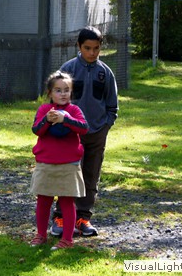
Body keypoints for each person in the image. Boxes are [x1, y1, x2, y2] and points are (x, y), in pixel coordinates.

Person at [50, 26, 119, 237]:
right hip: (71, 134)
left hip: (97, 133)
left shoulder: (105, 73)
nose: (92, 53)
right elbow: (56, 101)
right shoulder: (68, 69)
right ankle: (61, 216)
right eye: (87, 48)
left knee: (91, 175)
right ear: (79, 46)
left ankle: (83, 217)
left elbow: (112, 105)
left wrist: (105, 125)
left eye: (96, 48)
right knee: (69, 174)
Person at [30, 71, 89, 250]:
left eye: (66, 90)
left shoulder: (74, 111)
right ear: (50, 93)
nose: (62, 94)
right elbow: (36, 130)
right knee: (43, 200)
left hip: (68, 164)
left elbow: (84, 128)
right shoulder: (43, 110)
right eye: (58, 90)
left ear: (71, 92)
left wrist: (66, 119)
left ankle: (67, 240)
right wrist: (47, 120)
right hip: (45, 162)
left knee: (66, 202)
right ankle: (41, 235)